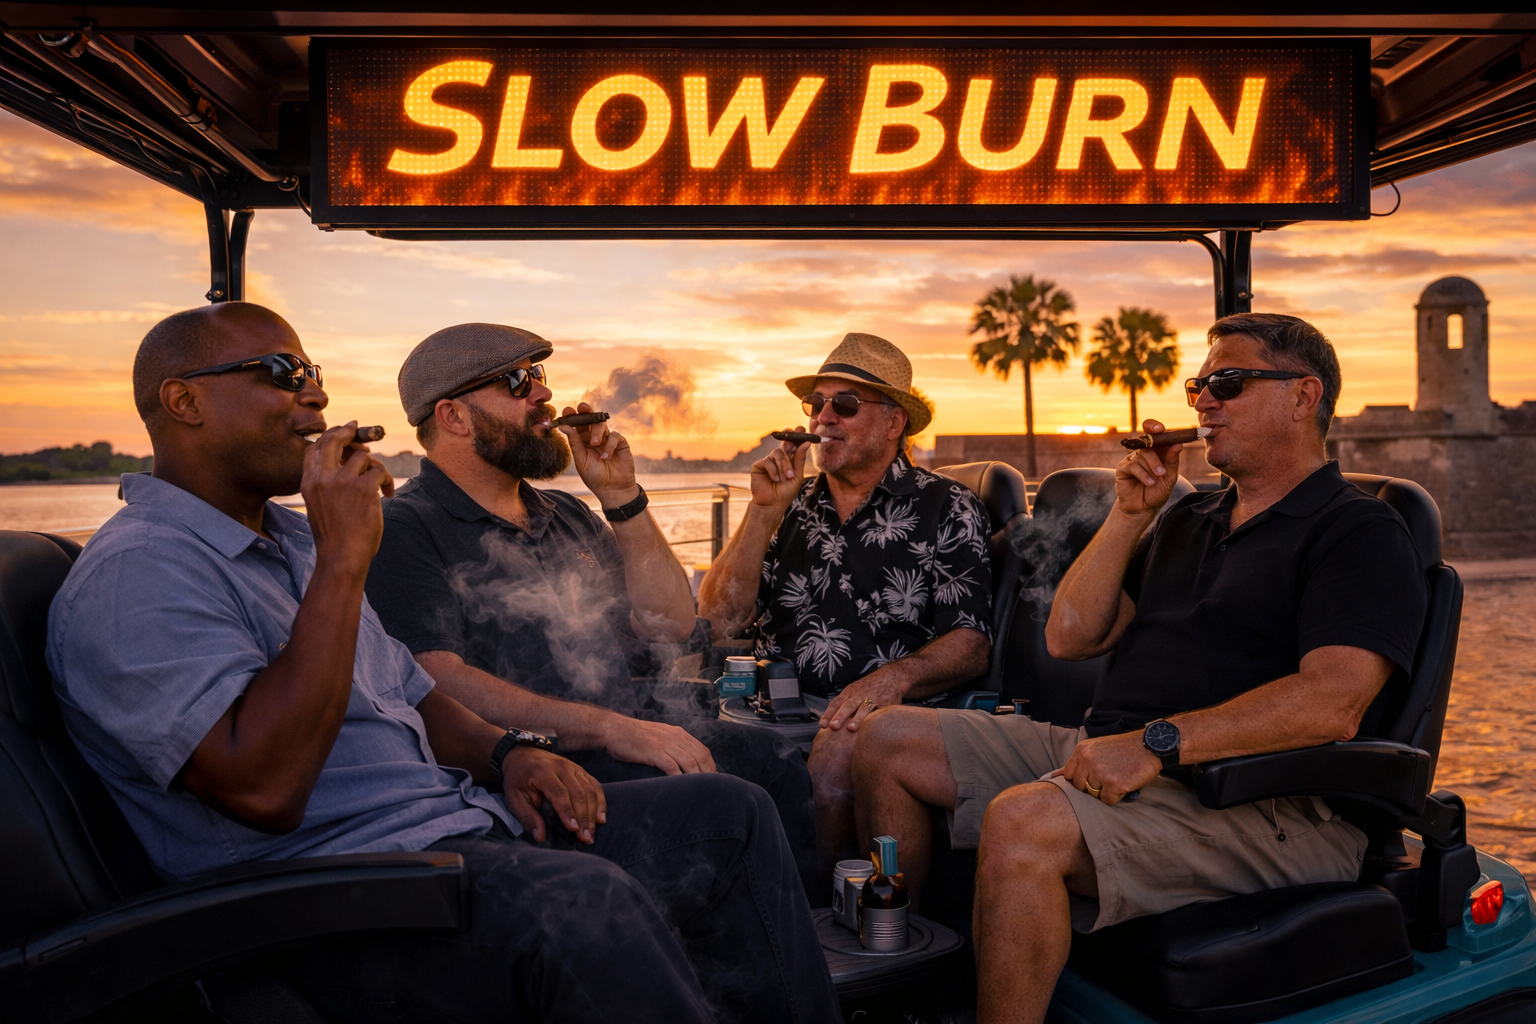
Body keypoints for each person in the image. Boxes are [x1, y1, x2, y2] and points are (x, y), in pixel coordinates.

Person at [46, 302, 840, 1024]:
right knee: (590, 900)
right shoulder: (139, 575)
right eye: (285, 375)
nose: (316, 397)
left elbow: (413, 689)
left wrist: (506, 751)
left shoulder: (289, 543)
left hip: (462, 821)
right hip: (341, 894)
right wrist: (344, 559)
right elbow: (263, 787)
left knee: (730, 815)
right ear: (184, 402)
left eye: (314, 374)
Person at [849, 313, 1430, 1024]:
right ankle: (900, 994)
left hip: (1264, 802)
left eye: (1228, 382)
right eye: (1199, 386)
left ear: (1303, 397)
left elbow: (1332, 702)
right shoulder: (1191, 520)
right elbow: (1070, 637)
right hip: (1120, 751)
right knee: (883, 741)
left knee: (1024, 822)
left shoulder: (1358, 530)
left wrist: (1155, 744)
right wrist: (1129, 515)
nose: (1203, 402)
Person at [362, 323, 819, 900]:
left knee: (773, 757)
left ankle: (814, 943)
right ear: (453, 416)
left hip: (622, 733)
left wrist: (621, 497)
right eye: (517, 380)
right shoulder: (405, 527)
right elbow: (436, 681)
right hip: (536, 770)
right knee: (732, 802)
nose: (543, 395)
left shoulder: (565, 513)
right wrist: (611, 728)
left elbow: (669, 625)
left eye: (540, 376)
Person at [698, 332, 994, 878]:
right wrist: (761, 514)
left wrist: (891, 681)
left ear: (894, 422)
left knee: (836, 758)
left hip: (880, 713)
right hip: (772, 704)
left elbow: (971, 643)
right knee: (670, 727)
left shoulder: (946, 506)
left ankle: (827, 931)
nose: (823, 418)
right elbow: (718, 619)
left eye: (846, 405)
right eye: (816, 404)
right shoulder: (789, 504)